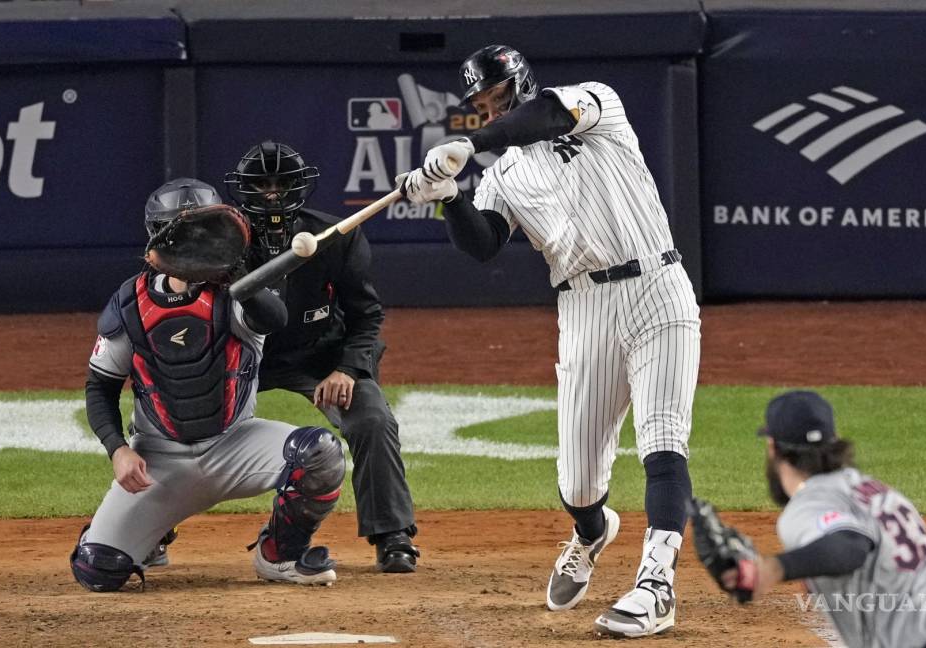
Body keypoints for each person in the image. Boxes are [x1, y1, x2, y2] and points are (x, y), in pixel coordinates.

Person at [403, 45, 700, 636]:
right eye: (480, 106)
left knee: (663, 443)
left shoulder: (594, 105)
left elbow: (544, 117)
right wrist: (449, 198)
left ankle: (656, 584)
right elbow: (484, 242)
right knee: (578, 483)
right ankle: (592, 532)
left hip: (658, 287)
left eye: (496, 97)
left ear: (520, 82)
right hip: (583, 307)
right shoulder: (504, 174)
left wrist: (470, 146)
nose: (490, 110)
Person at [70, 178, 347, 591]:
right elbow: (101, 387)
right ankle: (152, 531)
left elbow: (272, 318)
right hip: (160, 460)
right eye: (184, 234)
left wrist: (237, 273)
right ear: (159, 239)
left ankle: (280, 555)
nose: (197, 243)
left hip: (235, 446)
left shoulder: (239, 294)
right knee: (97, 568)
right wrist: (119, 451)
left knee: (321, 455)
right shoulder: (129, 303)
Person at [692, 390, 926, 648]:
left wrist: (769, 570)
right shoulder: (871, 488)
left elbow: (850, 545)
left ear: (773, 448)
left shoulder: (807, 506)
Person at [223, 141, 420, 573]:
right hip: (239, 356)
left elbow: (367, 314)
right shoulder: (223, 242)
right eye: (262, 184)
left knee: (372, 417)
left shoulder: (335, 236)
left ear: (300, 187)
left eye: (282, 183)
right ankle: (153, 533)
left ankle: (392, 536)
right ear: (244, 190)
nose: (272, 194)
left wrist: (347, 368)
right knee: (183, 416)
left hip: (318, 355)